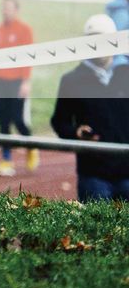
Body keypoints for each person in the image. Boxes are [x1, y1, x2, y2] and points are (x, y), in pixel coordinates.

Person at [49, 14, 129, 203]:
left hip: (127, 173)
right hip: (93, 174)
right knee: (95, 231)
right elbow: (59, 122)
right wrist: (75, 132)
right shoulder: (71, 81)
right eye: (92, 40)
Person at [0, 0, 37, 176]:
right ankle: (6, 159)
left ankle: (31, 146)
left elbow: (28, 57)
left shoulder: (24, 30)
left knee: (18, 119)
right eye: (3, 7)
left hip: (17, 82)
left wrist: (25, 81)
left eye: (8, 7)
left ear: (16, 10)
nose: (5, 10)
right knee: (3, 122)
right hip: (0, 82)